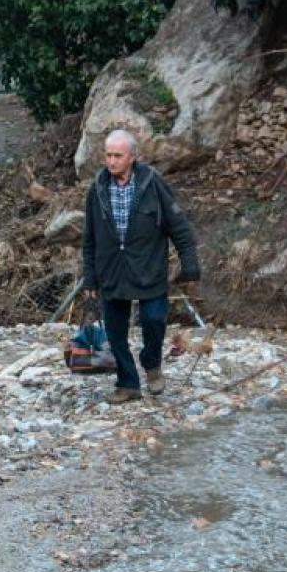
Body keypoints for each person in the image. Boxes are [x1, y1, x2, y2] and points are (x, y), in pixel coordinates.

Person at [80, 128, 200, 403]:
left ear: (133, 156)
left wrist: (190, 264)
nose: (111, 162)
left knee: (154, 320)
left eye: (118, 156)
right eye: (108, 155)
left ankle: (151, 362)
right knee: (115, 331)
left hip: (149, 270)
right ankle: (128, 383)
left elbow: (179, 227)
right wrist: (89, 279)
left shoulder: (153, 185)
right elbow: (89, 239)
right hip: (112, 272)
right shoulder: (97, 189)